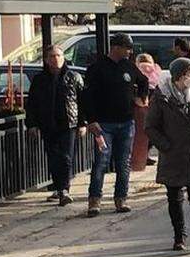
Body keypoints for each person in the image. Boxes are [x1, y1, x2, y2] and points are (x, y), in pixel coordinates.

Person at [146, 58, 190, 251]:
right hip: (174, 154)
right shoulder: (162, 98)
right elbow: (150, 127)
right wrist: (165, 146)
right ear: (179, 76)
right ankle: (180, 236)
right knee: (175, 197)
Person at [79, 32, 149, 217]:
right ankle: (94, 200)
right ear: (116, 47)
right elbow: (87, 97)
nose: (130, 51)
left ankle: (121, 198)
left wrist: (141, 98)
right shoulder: (97, 68)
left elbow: (144, 82)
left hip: (126, 122)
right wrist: (91, 120)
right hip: (104, 124)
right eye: (127, 48)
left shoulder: (129, 66)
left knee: (123, 163)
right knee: (101, 162)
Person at [25, 45, 84, 206]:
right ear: (46, 60)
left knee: (66, 157)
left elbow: (82, 101)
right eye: (52, 56)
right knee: (53, 157)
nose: (56, 59)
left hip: (68, 123)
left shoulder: (73, 76)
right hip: (48, 124)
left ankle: (64, 189)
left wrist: (83, 123)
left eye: (58, 55)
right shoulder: (40, 80)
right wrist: (32, 124)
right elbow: (32, 104)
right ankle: (59, 187)